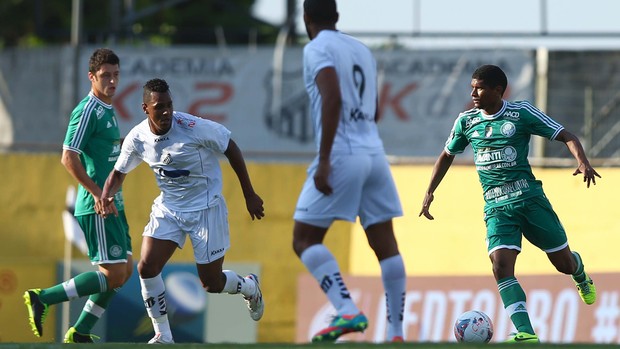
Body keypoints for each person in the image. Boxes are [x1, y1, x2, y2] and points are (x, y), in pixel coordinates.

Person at [419, 64, 601, 343]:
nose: (473, 92)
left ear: (498, 90)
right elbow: (447, 155)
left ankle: (580, 272)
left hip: (530, 200)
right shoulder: (466, 121)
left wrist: (583, 161)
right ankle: (526, 332)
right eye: (472, 87)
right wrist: (430, 191)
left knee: (563, 263)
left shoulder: (521, 113)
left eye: (479, 87)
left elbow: (565, 134)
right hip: (496, 207)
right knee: (500, 266)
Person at [96, 78, 265, 344]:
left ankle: (249, 287)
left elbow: (230, 147)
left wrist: (249, 194)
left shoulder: (193, 127)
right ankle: (163, 334)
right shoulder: (138, 137)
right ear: (145, 108)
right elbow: (118, 172)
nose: (166, 112)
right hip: (170, 208)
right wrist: (105, 197)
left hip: (206, 209)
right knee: (147, 267)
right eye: (159, 107)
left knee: (211, 283)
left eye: (169, 105)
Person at [292, 0, 406, 343]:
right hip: (374, 152)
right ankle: (396, 333)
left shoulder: (316, 48)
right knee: (386, 244)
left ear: (306, 18)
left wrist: (325, 160)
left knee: (304, 239)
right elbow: (373, 108)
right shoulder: (361, 49)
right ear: (337, 16)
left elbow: (333, 98)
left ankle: (346, 310)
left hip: (342, 153)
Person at [23, 48, 133, 343]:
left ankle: (81, 332)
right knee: (112, 275)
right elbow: (68, 157)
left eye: (116, 75)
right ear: (92, 77)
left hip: (114, 202)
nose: (112, 81)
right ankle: (42, 297)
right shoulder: (88, 110)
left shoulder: (108, 109)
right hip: (97, 205)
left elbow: (104, 150)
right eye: (105, 75)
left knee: (125, 270)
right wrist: (98, 194)